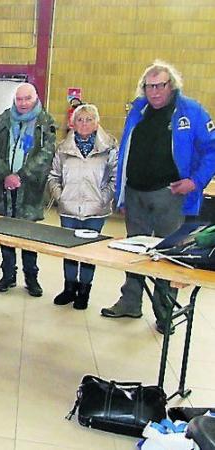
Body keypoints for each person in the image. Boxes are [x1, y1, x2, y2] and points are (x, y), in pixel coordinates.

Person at [100, 60, 215, 334]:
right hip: (136, 192)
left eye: (159, 85)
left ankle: (164, 312)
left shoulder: (192, 111)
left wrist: (195, 182)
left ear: (171, 85)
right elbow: (127, 150)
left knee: (166, 256)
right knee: (133, 253)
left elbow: (212, 150)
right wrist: (122, 195)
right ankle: (130, 302)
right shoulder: (138, 110)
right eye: (149, 86)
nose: (154, 91)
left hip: (170, 195)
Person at [0, 82, 56, 297]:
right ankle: (7, 275)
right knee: (5, 232)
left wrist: (21, 176)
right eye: (19, 99)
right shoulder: (4, 119)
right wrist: (6, 174)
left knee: (28, 235)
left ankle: (31, 278)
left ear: (35, 98)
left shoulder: (45, 122)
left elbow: (46, 154)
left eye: (27, 98)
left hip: (30, 189)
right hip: (4, 186)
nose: (23, 103)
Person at [47, 104, 118, 309]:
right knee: (69, 250)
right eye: (80, 119)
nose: (84, 124)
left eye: (89, 119)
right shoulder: (63, 148)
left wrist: (103, 198)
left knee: (89, 252)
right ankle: (69, 289)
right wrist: (61, 197)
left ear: (97, 122)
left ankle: (84, 291)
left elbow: (116, 177)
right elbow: (53, 176)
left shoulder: (109, 147)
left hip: (96, 211)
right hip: (68, 209)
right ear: (73, 123)